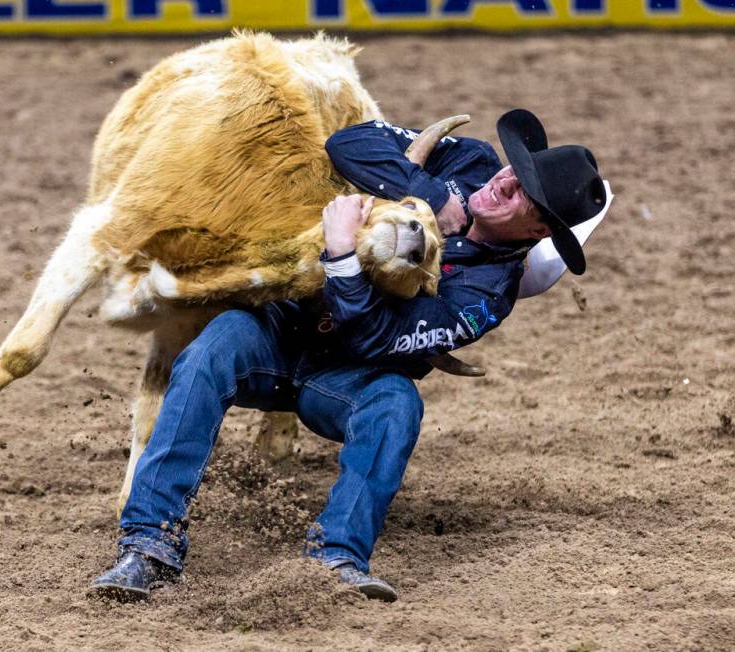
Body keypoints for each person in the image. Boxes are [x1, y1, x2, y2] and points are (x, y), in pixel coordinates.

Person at [89, 109, 606, 603]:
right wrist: (427, 193)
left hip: (347, 378)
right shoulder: (469, 161)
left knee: (396, 404)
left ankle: (335, 558)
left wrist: (340, 256)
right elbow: (351, 144)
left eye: (524, 196)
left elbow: (378, 342)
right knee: (212, 350)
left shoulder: (488, 295)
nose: (504, 183)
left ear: (539, 232)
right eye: (517, 169)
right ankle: (148, 544)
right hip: (279, 326)